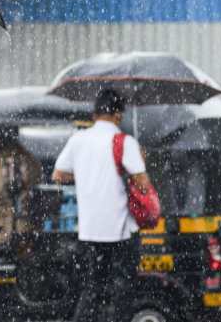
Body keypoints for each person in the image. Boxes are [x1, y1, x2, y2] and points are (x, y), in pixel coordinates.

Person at [52, 88, 153, 322]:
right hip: (121, 234)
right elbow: (144, 185)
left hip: (90, 232)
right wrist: (139, 162)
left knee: (91, 290)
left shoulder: (78, 140)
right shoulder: (125, 142)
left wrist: (87, 176)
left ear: (95, 113)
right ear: (118, 114)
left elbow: (58, 174)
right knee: (122, 292)